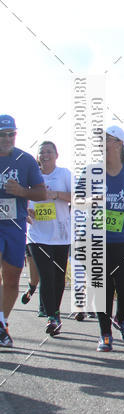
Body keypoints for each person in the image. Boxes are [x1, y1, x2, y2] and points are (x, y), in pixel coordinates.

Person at [93, 126, 124, 352]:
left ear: (119, 144)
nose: (101, 142)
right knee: (103, 288)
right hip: (98, 240)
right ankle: (105, 334)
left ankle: (121, 317)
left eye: (107, 139)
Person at [0, 115, 46, 347]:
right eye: (2, 134)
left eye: (11, 134)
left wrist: (21, 191)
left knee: (11, 280)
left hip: (15, 227)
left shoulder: (25, 160)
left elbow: (41, 193)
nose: (7, 138)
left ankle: (2, 322)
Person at [27, 142, 72, 336]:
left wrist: (55, 194)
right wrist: (27, 212)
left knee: (58, 278)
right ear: (38, 157)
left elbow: (78, 197)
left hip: (61, 236)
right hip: (37, 235)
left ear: (56, 154)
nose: (45, 155)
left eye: (49, 151)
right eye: (41, 152)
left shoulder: (64, 174)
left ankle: (55, 311)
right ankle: (52, 317)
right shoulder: (31, 176)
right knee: (46, 276)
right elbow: (23, 201)